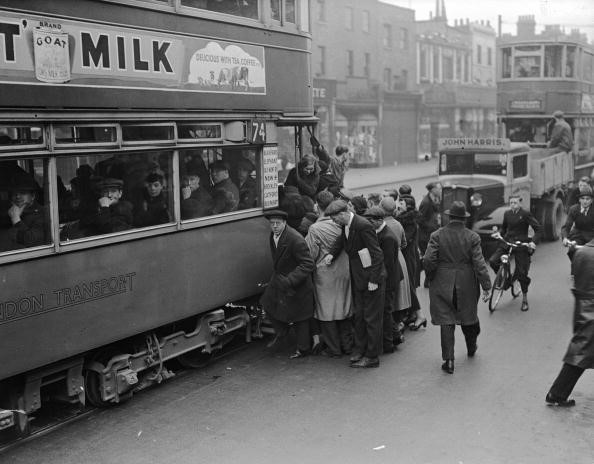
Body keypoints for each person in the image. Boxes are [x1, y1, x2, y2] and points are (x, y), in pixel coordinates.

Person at [423, 201, 491, 374]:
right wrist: (486, 286)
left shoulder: (437, 235)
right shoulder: (473, 237)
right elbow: (479, 264)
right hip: (467, 281)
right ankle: (471, 346)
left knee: (446, 320)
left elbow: (428, 260)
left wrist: (432, 276)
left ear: (449, 217)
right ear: (464, 219)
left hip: (442, 281)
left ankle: (449, 360)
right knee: (468, 316)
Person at [323, 200, 386, 368]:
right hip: (359, 278)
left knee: (371, 318)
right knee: (359, 316)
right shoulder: (347, 225)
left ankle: (372, 357)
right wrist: (331, 254)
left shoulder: (363, 226)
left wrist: (374, 280)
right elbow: (342, 240)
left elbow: (377, 254)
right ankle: (359, 350)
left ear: (343, 214)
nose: (334, 222)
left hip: (371, 280)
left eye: (335, 219)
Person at [545, 236, 594, 407]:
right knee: (580, 354)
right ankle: (556, 393)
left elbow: (575, 279)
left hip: (582, 308)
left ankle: (557, 393)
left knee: (581, 351)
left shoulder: (581, 253)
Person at [260, 209, 315, 359]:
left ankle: (303, 349)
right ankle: (282, 331)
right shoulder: (274, 235)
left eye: (278, 223)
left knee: (300, 317)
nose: (275, 226)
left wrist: (290, 280)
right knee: (267, 303)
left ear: (285, 223)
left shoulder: (295, 239)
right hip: (281, 279)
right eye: (272, 223)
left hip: (297, 283)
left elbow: (308, 264)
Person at [305, 191, 353, 358]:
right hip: (345, 270)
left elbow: (310, 254)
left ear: (317, 206)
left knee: (327, 312)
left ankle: (334, 349)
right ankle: (347, 345)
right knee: (345, 307)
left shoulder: (315, 228)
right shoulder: (342, 223)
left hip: (325, 274)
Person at [488, 195, 540, 311]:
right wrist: (499, 234)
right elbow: (504, 228)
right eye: (511, 202)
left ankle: (525, 299)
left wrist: (533, 242)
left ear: (520, 203)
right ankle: (503, 278)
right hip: (507, 242)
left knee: (522, 273)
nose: (513, 205)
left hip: (521, 244)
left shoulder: (525, 214)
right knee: (493, 261)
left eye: (515, 203)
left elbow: (538, 229)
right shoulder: (507, 214)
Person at [364, 206, 400, 354]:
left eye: (370, 221)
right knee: (386, 311)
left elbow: (388, 264)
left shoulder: (387, 238)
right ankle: (395, 337)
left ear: (379, 220)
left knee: (386, 311)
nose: (369, 224)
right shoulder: (382, 233)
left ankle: (389, 343)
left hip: (388, 281)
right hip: (387, 278)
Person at [0, 175, 47, 252]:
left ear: (32, 196)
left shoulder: (42, 213)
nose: (17, 196)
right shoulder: (10, 211)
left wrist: (16, 219)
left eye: (23, 192)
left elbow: (33, 242)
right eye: (14, 193)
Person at [418, 181, 442, 287]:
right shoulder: (426, 202)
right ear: (433, 190)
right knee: (429, 258)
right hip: (425, 237)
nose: (440, 190)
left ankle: (428, 280)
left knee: (430, 258)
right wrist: (432, 227)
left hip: (430, 235)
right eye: (438, 188)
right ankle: (424, 277)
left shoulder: (434, 199)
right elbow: (420, 220)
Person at [562, 186, 594, 262]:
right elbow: (567, 226)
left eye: (587, 199)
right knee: (572, 251)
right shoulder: (574, 209)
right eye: (582, 198)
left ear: (592, 200)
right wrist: (565, 238)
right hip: (578, 235)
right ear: (579, 200)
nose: (585, 201)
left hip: (592, 236)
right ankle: (575, 268)